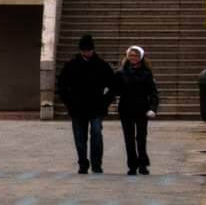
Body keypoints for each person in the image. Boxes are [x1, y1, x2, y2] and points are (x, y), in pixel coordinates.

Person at [56, 34, 115, 173]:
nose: (86, 52)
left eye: (89, 50)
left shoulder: (102, 65)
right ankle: (83, 162)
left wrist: (105, 103)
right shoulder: (71, 65)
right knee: (79, 137)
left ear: (93, 50)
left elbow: (112, 86)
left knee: (96, 133)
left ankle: (96, 164)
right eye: (84, 50)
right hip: (77, 107)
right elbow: (62, 86)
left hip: (97, 107)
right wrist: (69, 102)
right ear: (80, 50)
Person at [113, 45, 160, 175]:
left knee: (141, 138)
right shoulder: (121, 73)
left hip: (141, 109)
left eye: (136, 55)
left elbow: (153, 93)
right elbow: (115, 90)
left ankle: (143, 164)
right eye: (131, 55)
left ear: (141, 57)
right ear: (127, 57)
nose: (133, 58)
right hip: (126, 109)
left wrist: (153, 108)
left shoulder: (146, 73)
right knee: (129, 139)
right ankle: (132, 165)